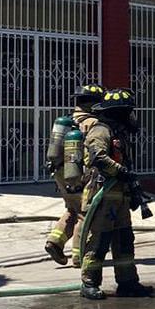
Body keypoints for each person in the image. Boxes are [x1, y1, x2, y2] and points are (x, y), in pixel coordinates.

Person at [79, 89, 153, 300]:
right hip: (102, 196)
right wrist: (122, 172)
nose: (131, 117)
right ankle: (89, 283)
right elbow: (99, 158)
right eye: (127, 112)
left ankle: (128, 282)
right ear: (118, 112)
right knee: (99, 241)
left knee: (124, 240)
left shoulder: (118, 133)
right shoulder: (101, 131)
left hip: (119, 196)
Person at [44, 83, 104, 266]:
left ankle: (55, 242)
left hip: (60, 173)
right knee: (86, 214)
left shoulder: (67, 120)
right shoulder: (93, 123)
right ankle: (79, 255)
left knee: (72, 209)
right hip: (82, 175)